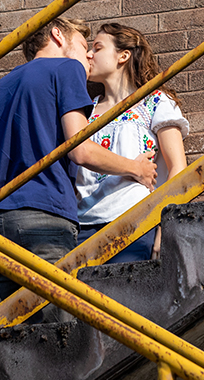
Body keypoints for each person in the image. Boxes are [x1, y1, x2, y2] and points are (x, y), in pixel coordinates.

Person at [0, 17, 156, 380]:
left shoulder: (2, 85)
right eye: (84, 44)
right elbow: (79, 149)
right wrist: (136, 168)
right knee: (64, 337)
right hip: (44, 218)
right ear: (58, 35)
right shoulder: (65, 68)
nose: (87, 55)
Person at [76, 23, 189, 263]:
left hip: (134, 223)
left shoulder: (155, 101)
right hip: (81, 227)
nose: (88, 55)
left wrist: (164, 228)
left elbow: (179, 169)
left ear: (123, 56)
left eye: (97, 47)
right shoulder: (85, 111)